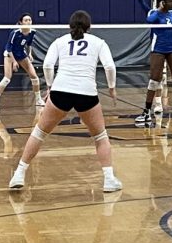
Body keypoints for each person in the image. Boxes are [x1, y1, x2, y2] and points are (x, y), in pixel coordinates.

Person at [8, 10, 121, 192]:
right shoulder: (98, 42)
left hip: (61, 91)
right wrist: (112, 88)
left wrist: (51, 86)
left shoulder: (59, 41)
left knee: (39, 133)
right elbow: (109, 66)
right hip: (86, 93)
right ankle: (109, 180)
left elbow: (47, 65)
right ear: (89, 26)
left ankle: (19, 174)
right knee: (100, 137)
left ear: (70, 26)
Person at [0, 13, 44, 110]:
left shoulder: (32, 32)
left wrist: (30, 54)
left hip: (21, 54)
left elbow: (29, 43)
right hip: (10, 55)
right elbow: (8, 48)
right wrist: (14, 62)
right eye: (26, 20)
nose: (28, 22)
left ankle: (38, 100)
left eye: (30, 20)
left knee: (34, 77)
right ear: (21, 22)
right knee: (7, 78)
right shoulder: (15, 33)